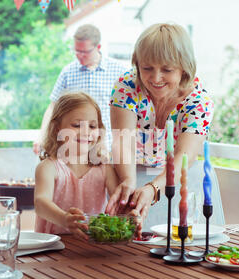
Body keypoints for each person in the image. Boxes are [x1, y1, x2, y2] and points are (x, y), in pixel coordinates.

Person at [105, 23, 220, 231]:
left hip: (180, 182)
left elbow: (184, 156)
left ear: (184, 68)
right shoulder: (127, 86)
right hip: (127, 175)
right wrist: (129, 182)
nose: (155, 78)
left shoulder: (198, 101)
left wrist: (152, 189)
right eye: (147, 68)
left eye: (167, 70)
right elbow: (123, 142)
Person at [34, 92, 132, 240]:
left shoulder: (105, 169)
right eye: (77, 125)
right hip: (53, 248)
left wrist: (130, 213)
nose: (86, 132)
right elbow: (41, 203)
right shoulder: (48, 167)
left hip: (91, 248)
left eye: (92, 126)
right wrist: (64, 219)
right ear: (56, 128)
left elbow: (119, 206)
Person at [35, 24, 127, 153]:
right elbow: (52, 107)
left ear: (98, 47)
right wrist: (42, 137)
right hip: (73, 148)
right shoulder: (68, 71)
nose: (79, 55)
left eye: (85, 52)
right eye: (77, 51)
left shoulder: (120, 71)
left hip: (108, 146)